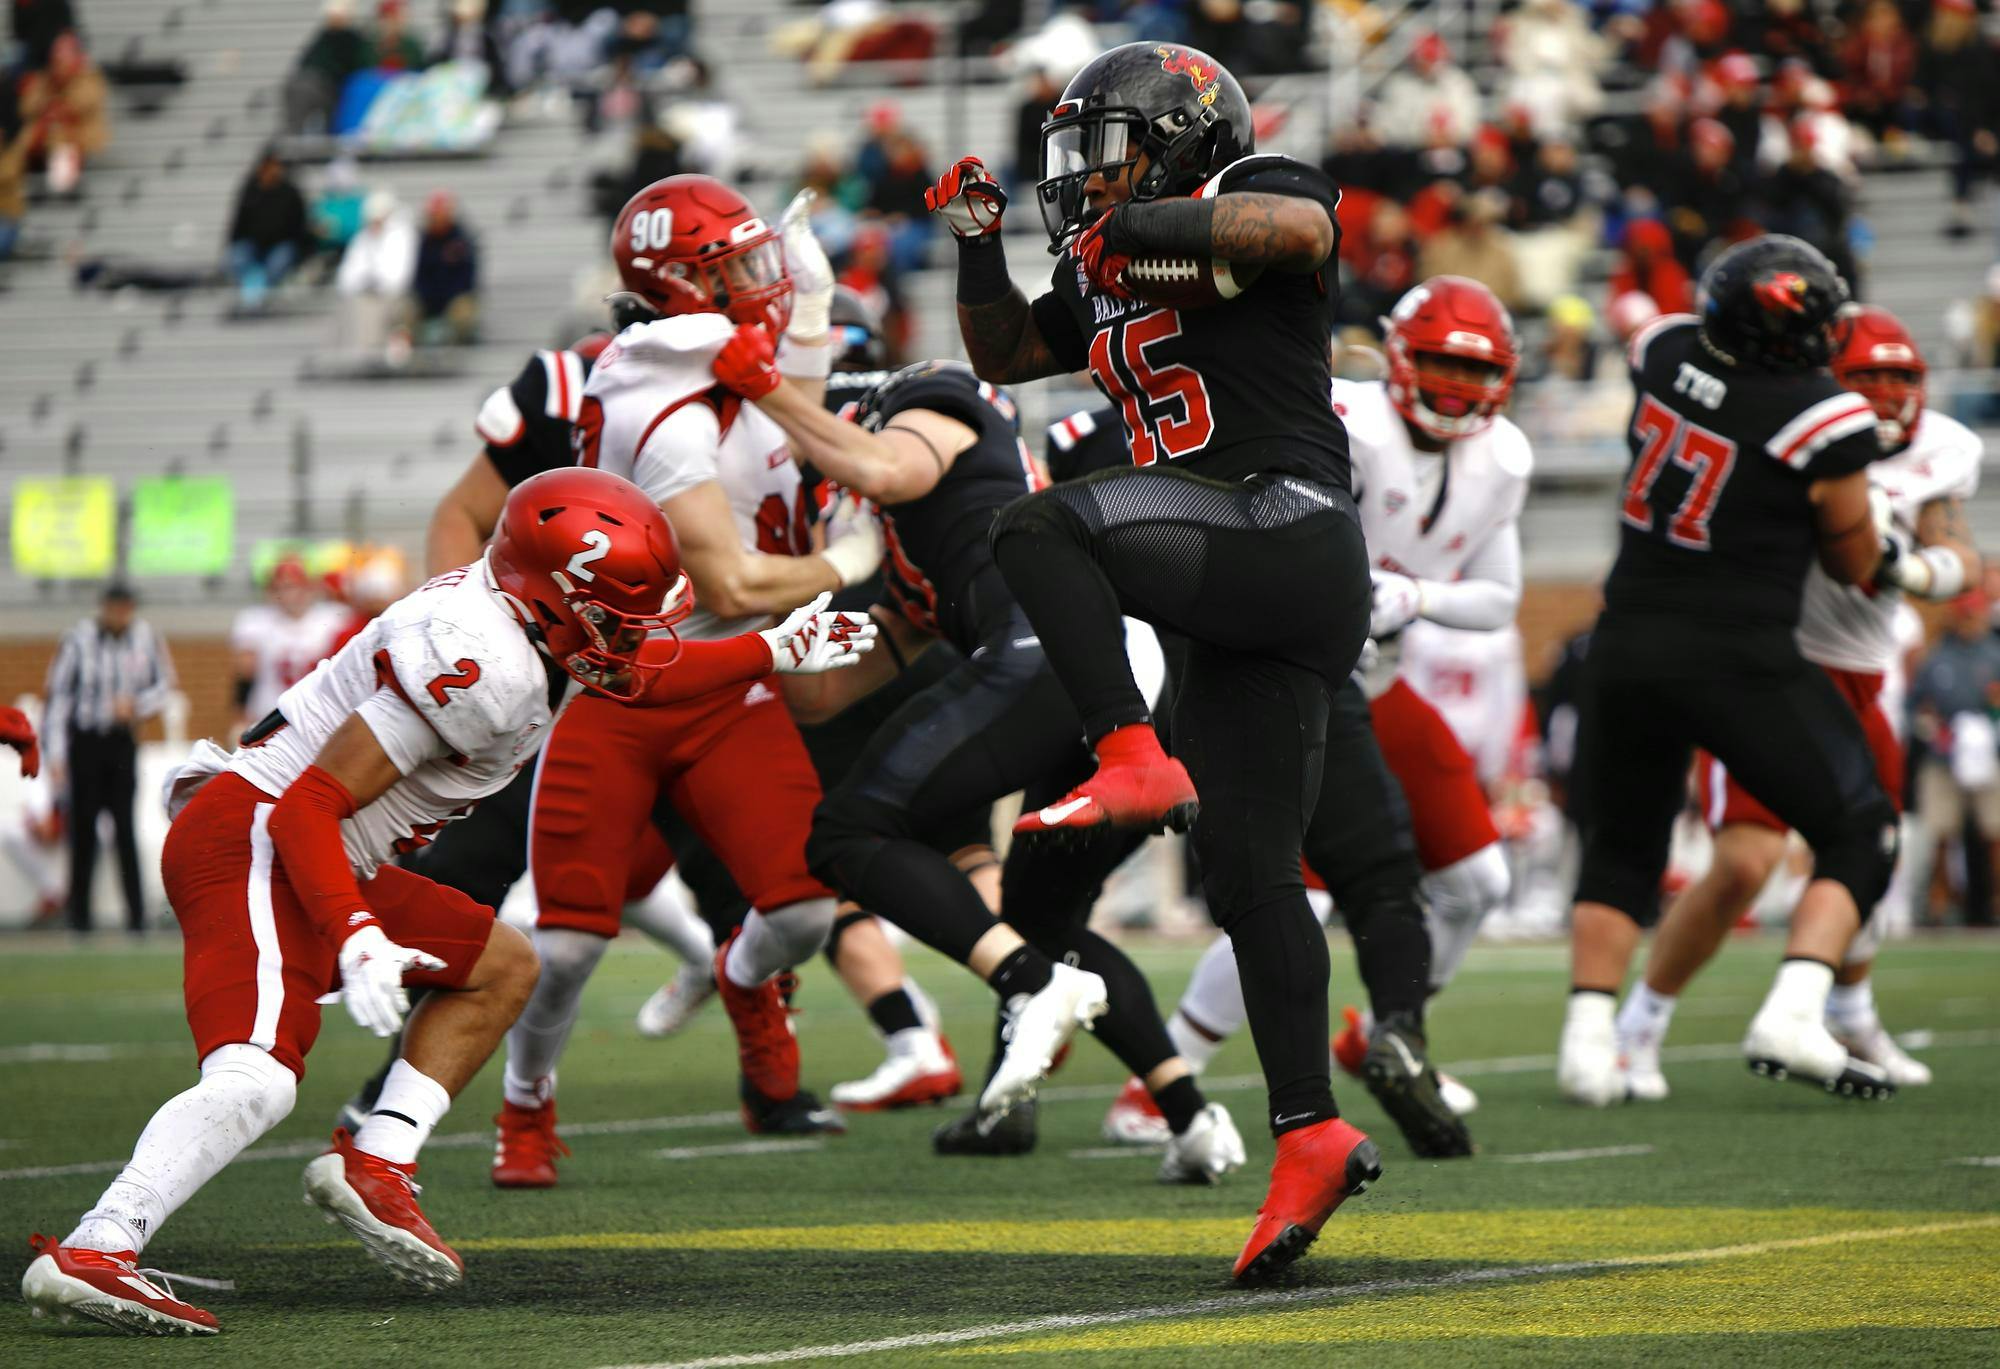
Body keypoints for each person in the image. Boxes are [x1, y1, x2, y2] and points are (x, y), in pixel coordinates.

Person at [18, 468, 873, 1337]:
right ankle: (98, 1245)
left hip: (316, 845)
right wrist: (353, 932)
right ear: (558, 601)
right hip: (261, 836)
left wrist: (772, 650)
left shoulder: (532, 622)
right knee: (258, 1075)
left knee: (502, 965)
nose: (634, 635)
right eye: (617, 615)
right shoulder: (481, 660)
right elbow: (309, 803)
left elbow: (641, 671)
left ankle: (376, 1160)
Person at [930, 42, 1379, 1282]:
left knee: (1035, 521)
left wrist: (1132, 233)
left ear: (1182, 138)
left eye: (1106, 149)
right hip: (1236, 577)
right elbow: (1008, 354)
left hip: (1280, 522)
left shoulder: (1256, 184)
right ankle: (1310, 1131)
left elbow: (1292, 235)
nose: (1082, 179)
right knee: (1247, 873)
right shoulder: (1116, 256)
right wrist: (979, 241)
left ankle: (1127, 755)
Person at [709, 334, 1249, 1183]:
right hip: (1114, 671)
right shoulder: (927, 543)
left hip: (1061, 654)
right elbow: (824, 695)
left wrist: (773, 392)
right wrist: (750, 641)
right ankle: (1190, 1115)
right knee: (1046, 918)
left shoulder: (933, 404)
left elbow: (887, 469)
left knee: (849, 830)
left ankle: (1033, 985)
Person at [493, 174, 882, 1182]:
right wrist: (847, 563)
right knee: (570, 944)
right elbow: (733, 579)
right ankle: (524, 1106)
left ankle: (743, 982)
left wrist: (813, 303)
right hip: (627, 684)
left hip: (725, 688)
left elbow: (788, 399)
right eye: (737, 269)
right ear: (680, 288)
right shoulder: (656, 398)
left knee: (799, 910)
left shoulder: (713, 358)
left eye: (760, 261)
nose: (759, 283)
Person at [1556, 235, 1902, 1109]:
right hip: (1737, 654)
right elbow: (1855, 554)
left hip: (1626, 639)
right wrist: (1905, 556)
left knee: (1620, 852)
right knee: (1861, 825)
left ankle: (1589, 1041)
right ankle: (1795, 1005)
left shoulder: (1662, 350)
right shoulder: (1823, 416)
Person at [1618, 305, 1978, 1098]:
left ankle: (1846, 1010)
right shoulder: (1793, 425)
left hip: (1864, 665)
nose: (1886, 394)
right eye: (1867, 377)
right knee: (1745, 861)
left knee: (1868, 852)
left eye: (1901, 377)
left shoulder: (1945, 447)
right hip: (1768, 663)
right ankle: (1636, 1024)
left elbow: (1959, 553)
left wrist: (1911, 570)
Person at [43, 585, 177, 935]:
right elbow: (57, 699)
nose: (121, 614)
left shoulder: (146, 637)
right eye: (115, 607)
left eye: (126, 608)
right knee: (82, 829)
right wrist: (55, 755)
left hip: (121, 742)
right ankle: (79, 917)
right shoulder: (77, 640)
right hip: (85, 743)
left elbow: (164, 686)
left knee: (124, 828)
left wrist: (137, 705)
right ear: (103, 607)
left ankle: (136, 917)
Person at [230, 557, 351, 739]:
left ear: (309, 588)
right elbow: (245, 674)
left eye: (293, 586)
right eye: (280, 588)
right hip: (267, 716)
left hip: (316, 717)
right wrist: (239, 715)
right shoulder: (255, 621)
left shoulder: (332, 619)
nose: (288, 594)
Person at [335, 190, 417, 360]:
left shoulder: (402, 236)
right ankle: (364, 356)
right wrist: (365, 282)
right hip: (366, 294)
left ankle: (376, 355)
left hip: (395, 297)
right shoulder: (362, 239)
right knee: (358, 304)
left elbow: (400, 277)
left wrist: (376, 282)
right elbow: (346, 277)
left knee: (373, 307)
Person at [227, 151, 312, 312]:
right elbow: (239, 223)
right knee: (237, 257)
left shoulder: (290, 192)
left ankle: (261, 301)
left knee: (278, 262)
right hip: (254, 245)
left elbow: (299, 226)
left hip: (281, 245)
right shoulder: (250, 191)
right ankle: (250, 299)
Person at [410, 191, 479, 346]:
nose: (435, 218)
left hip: (454, 298)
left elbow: (467, 281)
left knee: (463, 310)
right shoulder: (424, 241)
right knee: (408, 310)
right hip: (429, 299)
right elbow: (419, 277)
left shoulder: (461, 240)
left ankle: (453, 351)